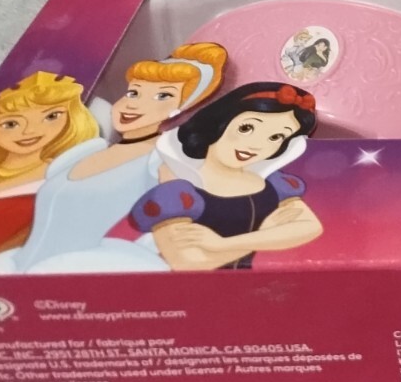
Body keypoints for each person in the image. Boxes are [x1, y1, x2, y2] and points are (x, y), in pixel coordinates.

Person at [0, 43, 227, 275]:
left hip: (86, 277)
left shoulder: (162, 162)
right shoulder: (86, 151)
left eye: (162, 96)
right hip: (22, 269)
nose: (133, 104)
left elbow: (173, 231)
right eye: (134, 92)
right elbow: (41, 221)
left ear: (181, 108)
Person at [130, 82, 322, 271]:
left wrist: (223, 244)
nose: (256, 145)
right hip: (188, 288)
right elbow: (189, 262)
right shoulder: (177, 190)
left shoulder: (274, 183)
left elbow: (310, 227)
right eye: (246, 128)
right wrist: (269, 234)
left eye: (276, 137)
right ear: (218, 122)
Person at [0, 73, 99, 271]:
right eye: (11, 124)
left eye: (51, 117)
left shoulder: (63, 179)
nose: (29, 131)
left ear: (73, 117)